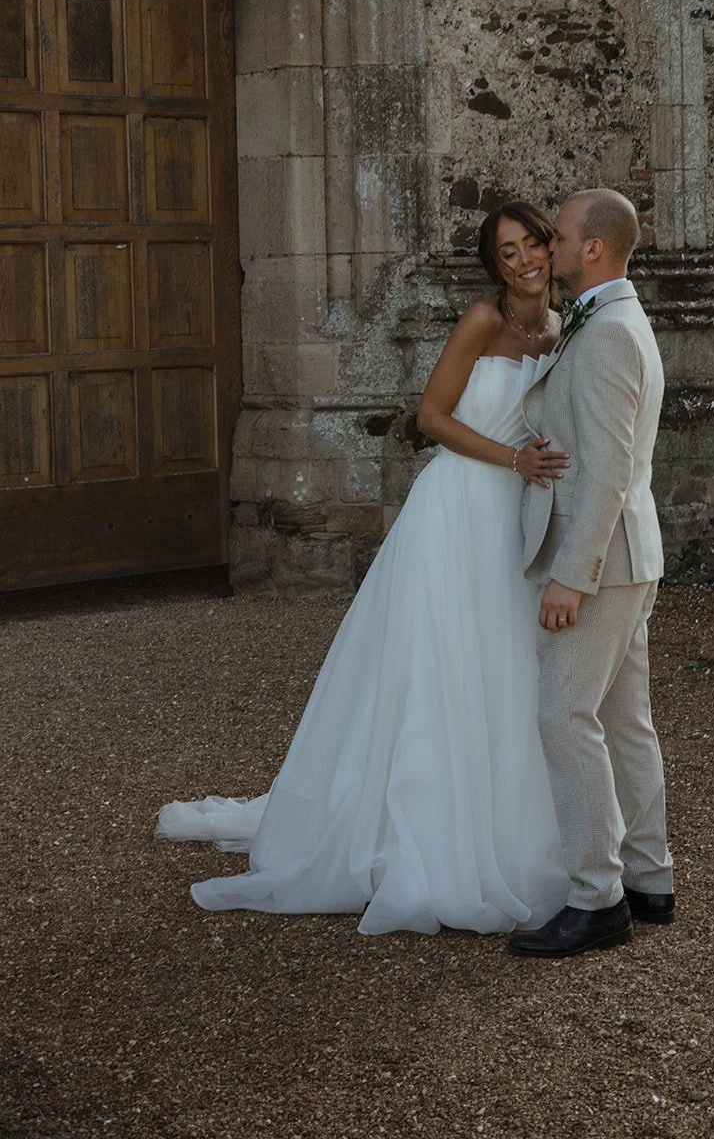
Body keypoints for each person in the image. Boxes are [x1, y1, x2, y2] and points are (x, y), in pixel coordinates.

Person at [156, 202, 573, 935]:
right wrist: (512, 457)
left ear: (549, 245)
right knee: (434, 664)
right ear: (494, 266)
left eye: (530, 244)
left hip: (515, 517)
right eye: (506, 253)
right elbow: (431, 418)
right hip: (459, 508)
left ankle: (504, 821)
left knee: (504, 665)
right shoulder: (482, 322)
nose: (522, 260)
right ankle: (422, 832)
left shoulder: (562, 324)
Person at [508, 188, 675, 958]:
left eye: (562, 234)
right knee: (622, 722)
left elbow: (607, 470)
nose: (550, 244)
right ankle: (649, 879)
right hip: (627, 557)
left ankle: (596, 899)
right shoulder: (608, 318)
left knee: (562, 717)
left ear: (595, 250)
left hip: (602, 562)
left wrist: (571, 576)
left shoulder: (608, 331)